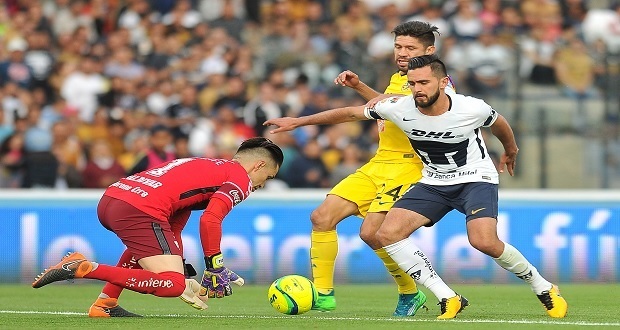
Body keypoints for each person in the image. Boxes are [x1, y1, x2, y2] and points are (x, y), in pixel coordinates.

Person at [265, 54, 568, 319]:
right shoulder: (400, 107)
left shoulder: (470, 108)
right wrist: (298, 122)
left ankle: (543, 286)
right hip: (434, 180)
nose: (417, 89)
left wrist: (510, 150)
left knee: (484, 242)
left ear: (443, 82)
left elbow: (499, 122)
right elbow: (349, 113)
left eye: (424, 82)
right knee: (386, 233)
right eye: (412, 83)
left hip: (474, 177)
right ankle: (448, 297)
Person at [271, 20, 463, 318]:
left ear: (429, 50)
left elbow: (406, 106)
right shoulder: (399, 78)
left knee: (372, 232)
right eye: (398, 46)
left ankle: (408, 292)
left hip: (410, 166)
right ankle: (322, 294)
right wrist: (360, 86)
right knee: (322, 216)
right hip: (380, 162)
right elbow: (384, 104)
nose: (401, 52)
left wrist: (299, 121)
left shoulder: (438, 83)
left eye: (409, 48)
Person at [32, 137, 284, 317]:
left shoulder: (207, 165)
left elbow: (172, 229)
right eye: (268, 177)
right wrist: (214, 267)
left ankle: (105, 303)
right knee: (172, 285)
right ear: (258, 165)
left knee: (152, 255)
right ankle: (82, 267)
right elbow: (211, 219)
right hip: (139, 209)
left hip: (114, 198)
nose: (263, 184)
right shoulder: (240, 178)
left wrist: (181, 267)